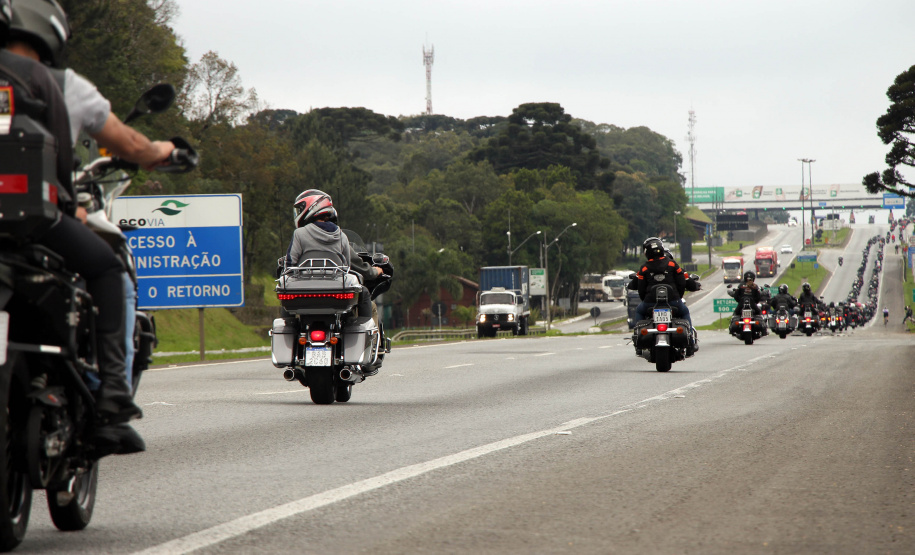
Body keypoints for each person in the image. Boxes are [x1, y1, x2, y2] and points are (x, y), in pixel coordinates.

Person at [4, 0, 178, 455]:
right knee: (107, 271)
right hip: (34, 222)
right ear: (51, 32)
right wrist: (160, 149)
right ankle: (113, 401)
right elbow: (128, 143)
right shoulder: (59, 84)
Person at [285, 189, 383, 323]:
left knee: (286, 296)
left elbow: (290, 265)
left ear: (310, 208)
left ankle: (289, 329)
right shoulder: (341, 236)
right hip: (337, 294)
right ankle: (367, 337)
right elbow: (347, 267)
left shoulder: (299, 234)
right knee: (364, 294)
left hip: (304, 292)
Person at [634, 237, 693, 326]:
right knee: (685, 312)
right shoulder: (672, 263)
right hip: (673, 300)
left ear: (646, 252)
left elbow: (641, 288)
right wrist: (678, 297)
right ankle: (691, 337)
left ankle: (637, 336)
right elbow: (681, 282)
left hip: (650, 302)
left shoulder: (644, 268)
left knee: (639, 311)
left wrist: (646, 300)